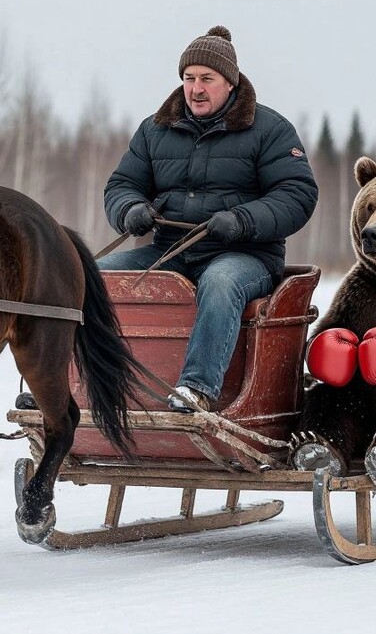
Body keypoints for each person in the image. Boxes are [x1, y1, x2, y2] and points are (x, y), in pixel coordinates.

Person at [99, 25, 318, 412]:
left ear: (230, 84)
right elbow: (122, 185)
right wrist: (129, 211)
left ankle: (196, 389)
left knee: (219, 282)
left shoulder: (270, 130)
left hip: (247, 256)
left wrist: (242, 221)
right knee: (95, 276)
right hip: (170, 250)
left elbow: (297, 196)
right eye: (189, 78)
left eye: (206, 79)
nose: (196, 89)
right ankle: (72, 382)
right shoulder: (154, 130)